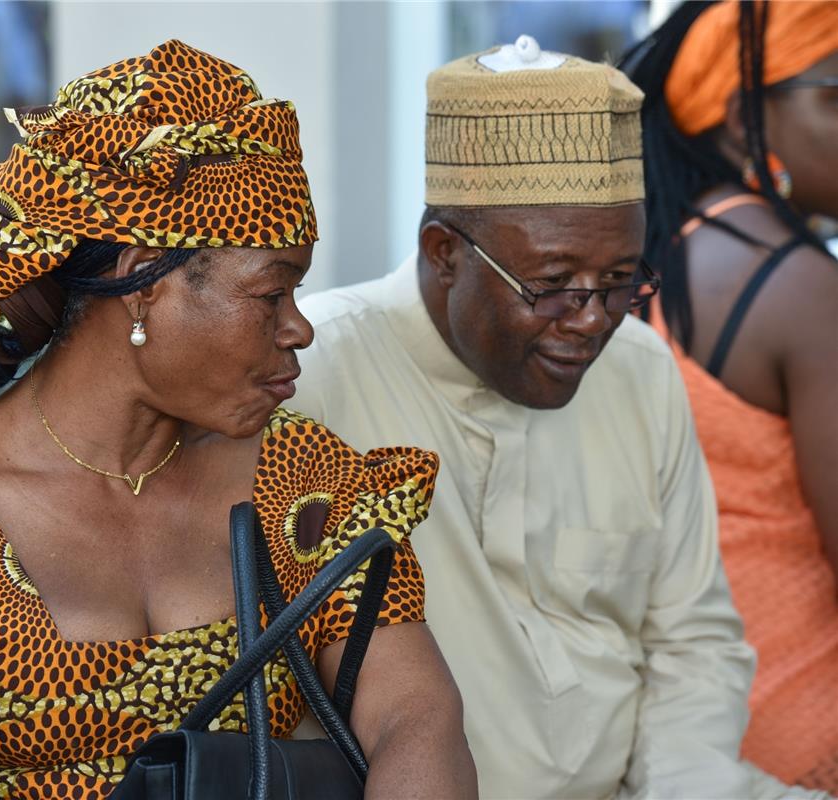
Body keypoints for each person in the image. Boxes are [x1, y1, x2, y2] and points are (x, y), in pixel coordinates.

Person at [0, 41, 476, 800]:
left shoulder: (305, 483)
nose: (299, 328)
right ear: (143, 282)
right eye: (269, 293)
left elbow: (416, 718)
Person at [290, 36, 802, 799]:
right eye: (553, 283)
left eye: (622, 280)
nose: (592, 320)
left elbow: (692, 638)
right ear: (443, 253)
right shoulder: (313, 376)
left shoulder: (639, 368)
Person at [620, 1, 838, 791]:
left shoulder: (651, 258)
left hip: (686, 725)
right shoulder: (800, 286)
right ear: (748, 120)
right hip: (807, 726)